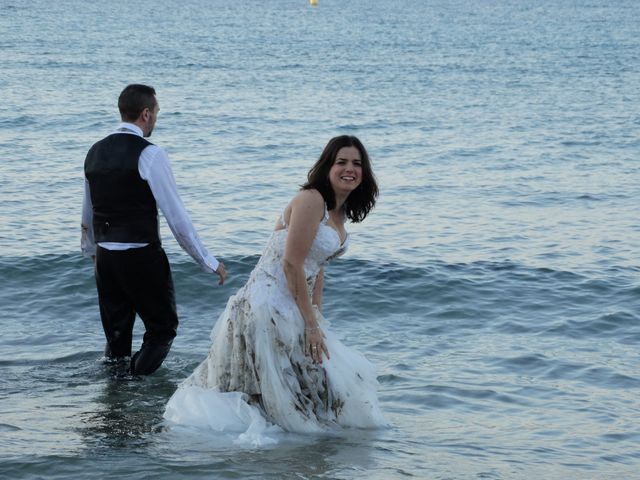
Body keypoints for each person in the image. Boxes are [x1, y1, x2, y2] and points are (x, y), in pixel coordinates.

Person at [164, 135, 386, 433]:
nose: (350, 169)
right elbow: (291, 263)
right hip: (265, 304)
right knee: (274, 390)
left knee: (307, 385)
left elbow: (316, 268)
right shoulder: (312, 200)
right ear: (327, 166)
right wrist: (310, 324)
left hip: (293, 305)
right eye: (341, 162)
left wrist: (317, 316)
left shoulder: (340, 214)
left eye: (357, 164)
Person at [81, 84, 226, 376]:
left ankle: (115, 401)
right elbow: (176, 217)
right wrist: (207, 261)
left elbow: (88, 212)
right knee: (162, 331)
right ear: (145, 114)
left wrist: (91, 252)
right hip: (141, 257)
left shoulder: (94, 151)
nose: (156, 119)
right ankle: (134, 384)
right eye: (156, 112)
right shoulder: (151, 154)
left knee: (117, 338)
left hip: (106, 258)